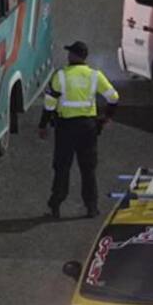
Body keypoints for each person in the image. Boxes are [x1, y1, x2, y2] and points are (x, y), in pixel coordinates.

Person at [38, 41, 119, 219]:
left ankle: (56, 206)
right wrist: (106, 118)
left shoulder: (61, 76)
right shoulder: (95, 76)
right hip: (88, 129)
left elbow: (49, 104)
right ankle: (91, 207)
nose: (68, 56)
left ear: (74, 56)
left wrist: (43, 125)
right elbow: (113, 97)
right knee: (88, 169)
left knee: (62, 167)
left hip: (65, 128)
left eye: (70, 53)